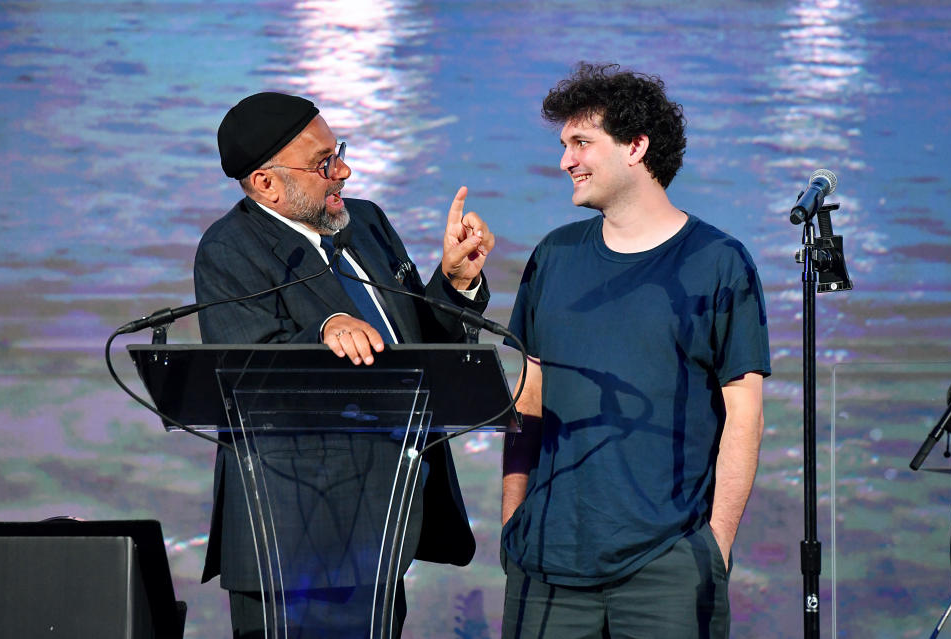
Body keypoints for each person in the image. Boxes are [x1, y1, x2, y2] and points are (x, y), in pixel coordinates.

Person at [194, 91, 495, 638]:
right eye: (324, 163)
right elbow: (249, 380)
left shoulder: (367, 223)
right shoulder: (229, 249)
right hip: (296, 538)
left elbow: (411, 355)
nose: (344, 171)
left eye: (340, 152)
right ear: (266, 183)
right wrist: (323, 331)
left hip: (382, 527)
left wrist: (452, 284)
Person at [500, 63, 771, 638]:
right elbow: (528, 396)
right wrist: (512, 521)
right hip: (545, 562)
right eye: (564, 144)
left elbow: (744, 414)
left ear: (636, 147)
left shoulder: (718, 262)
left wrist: (714, 549)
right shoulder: (554, 255)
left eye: (581, 143)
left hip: (666, 567)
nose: (565, 161)